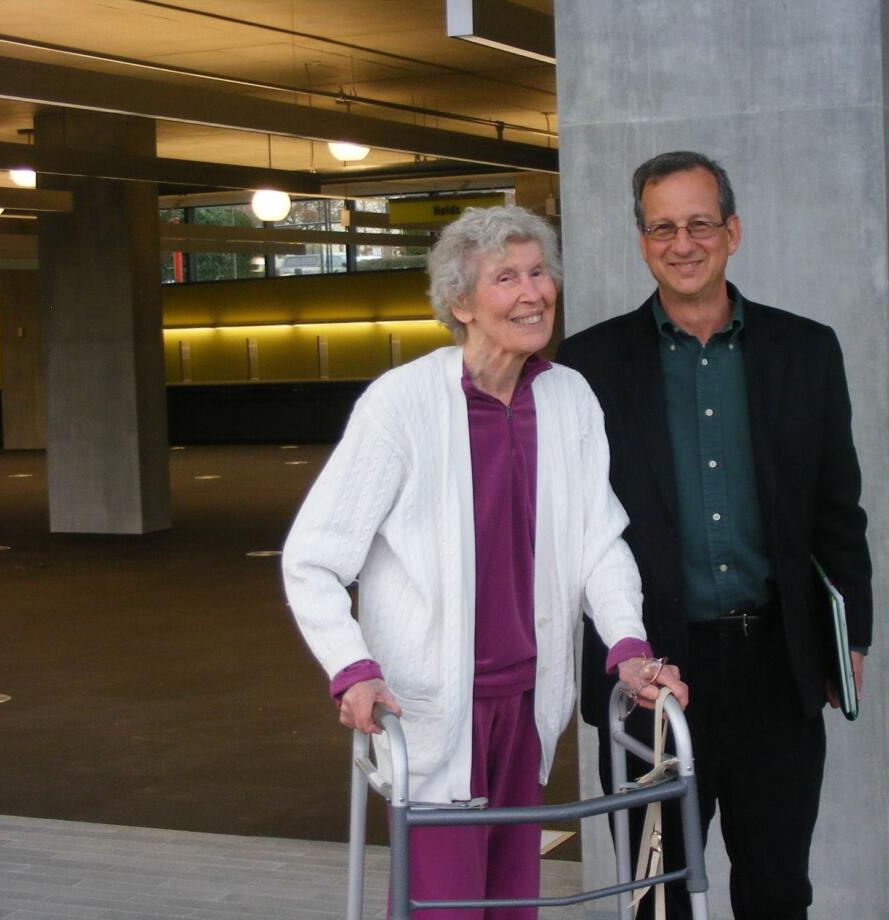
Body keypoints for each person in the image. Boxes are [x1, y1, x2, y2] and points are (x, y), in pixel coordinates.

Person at [281, 204, 687, 919]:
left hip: (529, 704)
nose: (533, 293)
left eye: (539, 273)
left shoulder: (569, 398)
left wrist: (626, 641)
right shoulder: (401, 405)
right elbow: (313, 558)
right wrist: (352, 665)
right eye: (507, 277)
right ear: (462, 304)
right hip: (432, 709)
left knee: (511, 906)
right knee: (446, 909)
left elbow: (600, 542)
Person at [556, 151, 873, 920]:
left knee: (776, 888)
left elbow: (838, 508)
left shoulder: (806, 350)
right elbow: (576, 528)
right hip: (653, 678)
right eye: (662, 226)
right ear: (641, 242)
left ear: (732, 232)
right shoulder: (587, 365)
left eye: (700, 223)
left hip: (776, 667)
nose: (682, 242)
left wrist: (849, 637)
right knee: (656, 897)